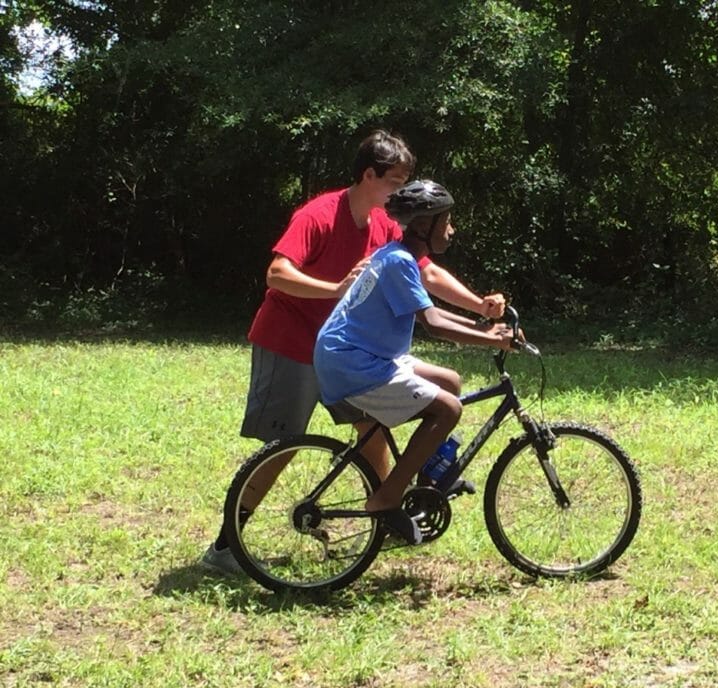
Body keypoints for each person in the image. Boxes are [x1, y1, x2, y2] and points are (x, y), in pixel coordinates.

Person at [203, 133, 506, 573]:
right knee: (285, 444)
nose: (401, 191)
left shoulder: (386, 225)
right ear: (369, 175)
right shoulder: (321, 214)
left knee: (373, 430)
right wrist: (335, 288)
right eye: (396, 181)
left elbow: (428, 273)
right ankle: (226, 545)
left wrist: (478, 306)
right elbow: (277, 274)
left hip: (354, 349)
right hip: (292, 341)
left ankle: (382, 513)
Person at [314, 180, 516, 544]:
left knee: (449, 381)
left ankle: (431, 482)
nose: (451, 230)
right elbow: (434, 325)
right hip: (354, 363)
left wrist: (482, 325)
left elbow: (429, 311)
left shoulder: (396, 256)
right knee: (448, 409)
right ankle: (387, 499)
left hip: (359, 355)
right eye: (447, 221)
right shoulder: (398, 262)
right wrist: (491, 339)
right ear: (425, 226)